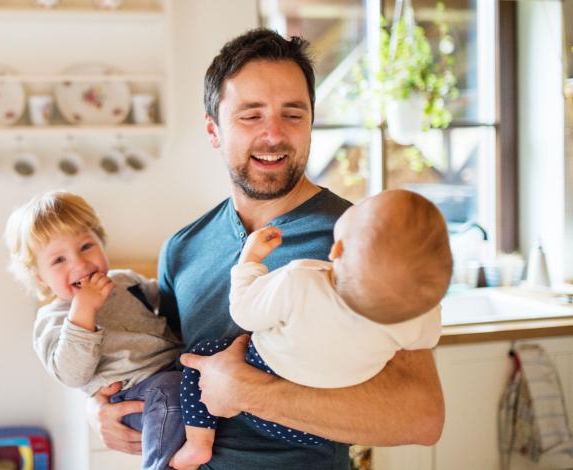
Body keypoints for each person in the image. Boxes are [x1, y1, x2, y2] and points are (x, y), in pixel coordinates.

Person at [87, 28, 445, 469]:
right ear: (213, 129)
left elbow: (422, 416)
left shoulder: (359, 242)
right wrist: (102, 410)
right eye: (250, 115)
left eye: (292, 115)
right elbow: (161, 364)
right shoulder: (182, 249)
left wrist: (249, 391)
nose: (273, 135)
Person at [173, 189, 451, 464]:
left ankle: (199, 442)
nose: (271, 140)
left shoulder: (304, 276)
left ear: (337, 248)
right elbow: (165, 350)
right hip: (310, 434)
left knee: (203, 355)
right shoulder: (412, 314)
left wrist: (249, 262)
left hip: (272, 386)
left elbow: (244, 314)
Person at [5, 190, 190, 470]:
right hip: (134, 394)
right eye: (59, 260)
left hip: (174, 371)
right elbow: (72, 374)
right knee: (171, 391)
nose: (79, 264)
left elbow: (171, 299)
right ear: (39, 276)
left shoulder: (125, 281)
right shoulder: (52, 319)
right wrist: (84, 311)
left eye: (86, 246)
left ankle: (196, 448)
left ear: (101, 243)